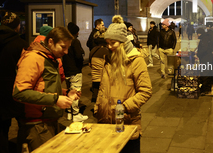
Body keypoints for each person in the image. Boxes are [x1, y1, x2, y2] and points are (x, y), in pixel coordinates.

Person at [13, 27, 79, 151]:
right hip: (36, 124)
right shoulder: (33, 58)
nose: (66, 52)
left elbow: (43, 87)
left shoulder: (50, 58)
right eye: (63, 47)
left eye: (68, 48)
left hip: (48, 120)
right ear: (50, 42)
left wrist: (64, 94)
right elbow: (19, 93)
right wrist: (55, 99)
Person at [94, 15, 152, 153]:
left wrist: (124, 107)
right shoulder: (108, 60)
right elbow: (103, 88)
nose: (109, 47)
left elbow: (146, 91)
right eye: (107, 43)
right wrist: (98, 108)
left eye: (113, 43)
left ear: (123, 42)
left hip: (127, 123)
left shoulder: (136, 61)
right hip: (105, 123)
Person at [0, 11, 29, 153]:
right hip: (16, 88)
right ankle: (21, 149)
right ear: (16, 26)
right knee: (23, 123)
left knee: (2, 125)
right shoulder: (21, 44)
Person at [63, 22, 88, 122]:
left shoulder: (65, 41)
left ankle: (69, 112)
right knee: (76, 91)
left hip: (67, 70)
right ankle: (76, 114)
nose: (78, 34)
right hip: (75, 70)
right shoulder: (75, 41)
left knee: (69, 91)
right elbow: (78, 56)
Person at [89, 28, 109, 102]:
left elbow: (90, 64)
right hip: (104, 79)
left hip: (95, 78)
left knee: (96, 94)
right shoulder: (107, 51)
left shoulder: (93, 50)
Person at [196, 28, 213, 95]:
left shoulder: (204, 39)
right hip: (208, 58)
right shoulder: (205, 37)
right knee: (207, 72)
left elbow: (204, 49)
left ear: (200, 33)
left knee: (205, 73)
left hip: (206, 58)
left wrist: (197, 54)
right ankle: (206, 87)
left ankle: (205, 89)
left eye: (197, 33)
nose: (197, 35)